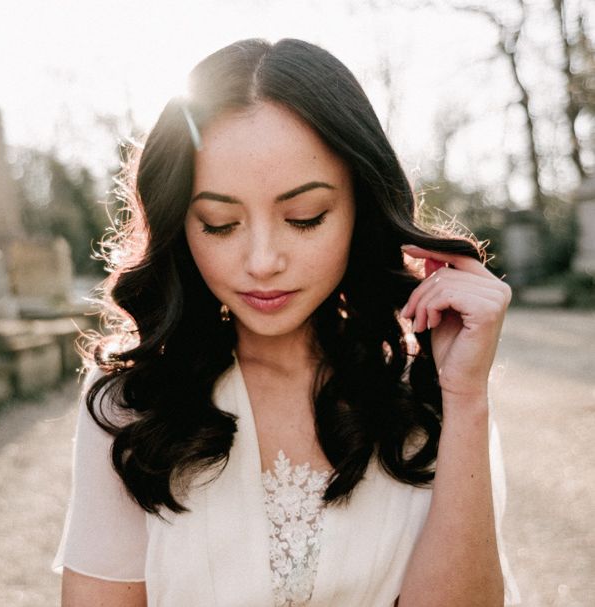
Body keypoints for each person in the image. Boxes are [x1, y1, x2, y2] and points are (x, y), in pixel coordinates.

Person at [53, 38, 521, 606]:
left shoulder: (427, 389)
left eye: (304, 217)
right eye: (221, 223)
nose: (262, 262)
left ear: (360, 206)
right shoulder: (133, 405)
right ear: (182, 223)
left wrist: (466, 397)